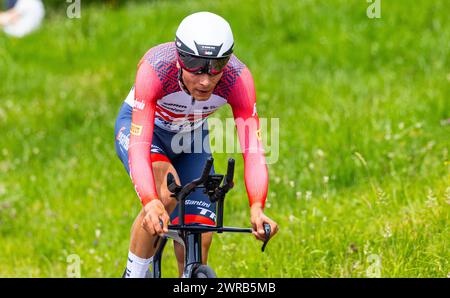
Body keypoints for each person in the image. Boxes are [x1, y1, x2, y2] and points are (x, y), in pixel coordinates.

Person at [114, 11, 279, 278]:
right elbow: (139, 144)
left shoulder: (237, 79)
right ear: (180, 59)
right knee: (165, 196)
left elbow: (254, 149)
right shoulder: (155, 69)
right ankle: (134, 274)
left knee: (200, 233)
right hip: (147, 134)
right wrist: (150, 200)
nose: (206, 79)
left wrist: (257, 206)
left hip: (190, 138)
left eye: (216, 66)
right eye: (196, 65)